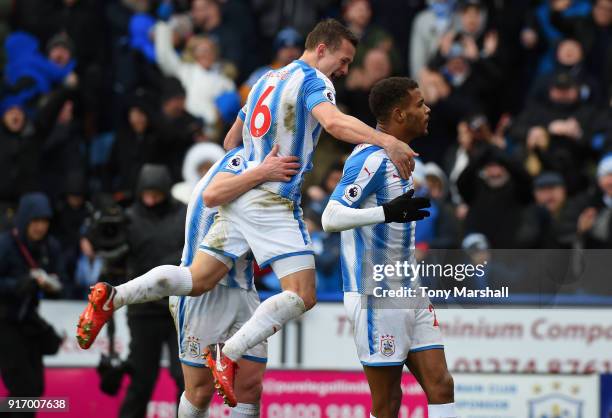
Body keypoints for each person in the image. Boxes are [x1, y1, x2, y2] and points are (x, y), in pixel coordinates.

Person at [76, 19, 417, 406]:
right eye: (344, 60)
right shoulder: (314, 81)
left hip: (241, 198)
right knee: (303, 294)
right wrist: (386, 140)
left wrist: (256, 158)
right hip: (272, 201)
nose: (344, 70)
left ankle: (113, 295)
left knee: (198, 277)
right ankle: (229, 353)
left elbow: (229, 139)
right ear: (321, 49)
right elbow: (334, 122)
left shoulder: (265, 80)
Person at [321, 77, 455, 418]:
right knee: (387, 403)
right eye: (419, 104)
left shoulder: (403, 157)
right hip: (375, 294)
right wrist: (386, 213)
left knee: (441, 386)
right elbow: (330, 217)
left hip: (409, 288)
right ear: (399, 114)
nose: (427, 110)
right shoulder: (370, 159)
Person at [170, 145, 296, 417]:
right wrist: (263, 170)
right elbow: (212, 195)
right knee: (200, 391)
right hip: (204, 289)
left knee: (249, 388)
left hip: (244, 288)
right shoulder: (241, 161)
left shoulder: (281, 164)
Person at [118, 165, 186, 418]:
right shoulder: (129, 217)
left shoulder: (183, 214)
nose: (151, 199)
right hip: (142, 310)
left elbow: (191, 253)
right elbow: (116, 254)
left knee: (184, 379)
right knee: (141, 380)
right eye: (146, 193)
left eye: (156, 193)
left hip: (177, 308)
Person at [0, 193, 65, 418]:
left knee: (35, 390)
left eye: (45, 222)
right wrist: (19, 284)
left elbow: (62, 280)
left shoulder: (50, 246)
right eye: (35, 221)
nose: (40, 227)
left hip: (29, 320)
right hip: (5, 322)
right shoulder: (5, 244)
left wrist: (52, 285)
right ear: (24, 219)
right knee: (23, 390)